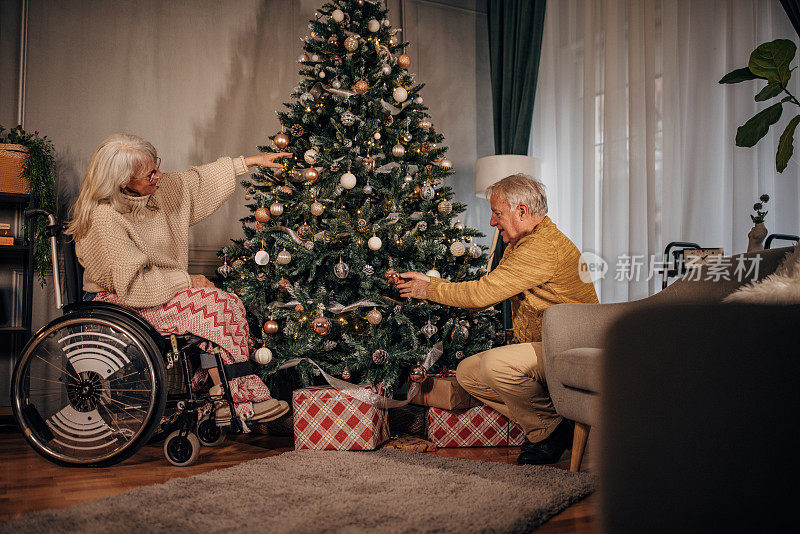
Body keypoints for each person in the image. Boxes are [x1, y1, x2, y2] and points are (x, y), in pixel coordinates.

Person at [66, 133, 292, 422]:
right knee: (216, 307)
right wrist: (188, 281)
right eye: (150, 172)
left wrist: (249, 162)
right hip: (120, 300)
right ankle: (236, 398)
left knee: (227, 303)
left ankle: (222, 397)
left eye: (156, 165)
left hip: (158, 289)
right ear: (124, 182)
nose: (159, 174)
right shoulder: (105, 218)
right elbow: (134, 286)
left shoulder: (158, 190)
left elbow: (197, 181)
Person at [397, 174, 599, 465]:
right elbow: (488, 289)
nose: (492, 221)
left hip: (570, 348)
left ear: (522, 211)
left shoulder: (541, 248)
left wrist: (428, 288)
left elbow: (482, 295)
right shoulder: (523, 243)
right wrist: (430, 285)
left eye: (497, 212)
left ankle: (548, 431)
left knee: (495, 366)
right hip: (549, 344)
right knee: (468, 373)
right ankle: (553, 423)